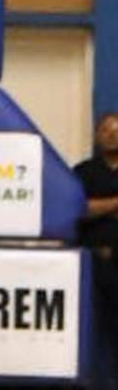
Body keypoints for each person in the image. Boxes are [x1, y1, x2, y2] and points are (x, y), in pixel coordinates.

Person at [74, 111, 118, 355]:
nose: (112, 136)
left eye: (117, 131)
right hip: (93, 262)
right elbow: (77, 210)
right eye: (106, 131)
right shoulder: (83, 172)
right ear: (97, 136)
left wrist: (100, 206)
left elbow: (92, 207)